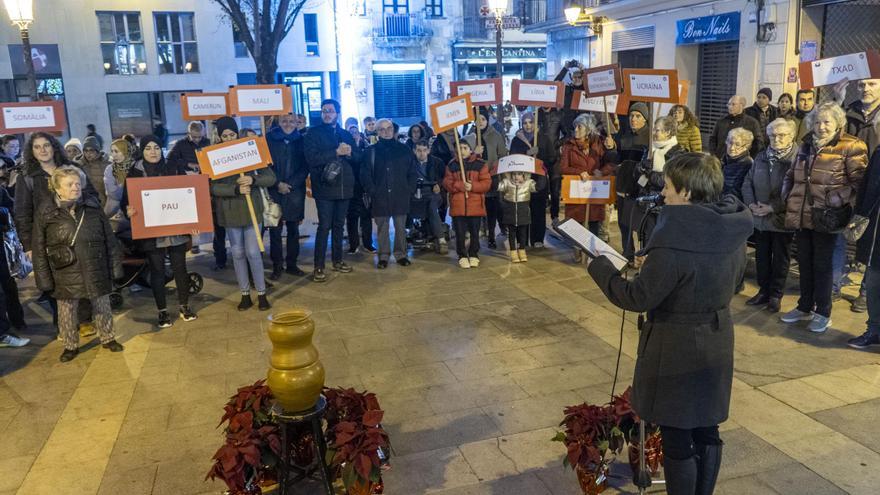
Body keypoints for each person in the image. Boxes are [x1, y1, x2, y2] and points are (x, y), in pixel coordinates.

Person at [587, 152, 752, 495]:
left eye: (670, 188)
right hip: (717, 337)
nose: (663, 194)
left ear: (687, 193)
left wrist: (600, 267)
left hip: (676, 347)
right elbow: (735, 283)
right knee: (707, 430)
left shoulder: (673, 240)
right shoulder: (731, 228)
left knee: (677, 436)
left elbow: (637, 298)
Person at [780, 103, 867, 333]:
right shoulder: (806, 144)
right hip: (802, 213)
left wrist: (837, 199)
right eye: (817, 121)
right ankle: (804, 306)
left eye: (827, 121)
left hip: (828, 215)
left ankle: (823, 312)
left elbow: (859, 183)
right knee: (805, 262)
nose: (821, 126)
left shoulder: (851, 145)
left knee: (823, 265)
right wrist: (787, 194)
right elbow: (791, 173)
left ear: (838, 122)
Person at [33, 166, 123, 362]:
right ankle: (70, 345)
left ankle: (108, 338)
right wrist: (43, 279)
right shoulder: (46, 211)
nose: (76, 187)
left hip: (94, 263)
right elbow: (39, 248)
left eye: (77, 183)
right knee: (66, 309)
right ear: (57, 188)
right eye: (69, 184)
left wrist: (115, 266)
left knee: (101, 303)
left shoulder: (92, 206)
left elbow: (109, 238)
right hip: (65, 269)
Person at [122, 135, 198, 327]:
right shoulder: (135, 172)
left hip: (175, 229)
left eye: (156, 147)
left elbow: (187, 194)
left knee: (180, 268)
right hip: (151, 232)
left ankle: (184, 306)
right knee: (157, 271)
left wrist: (193, 220)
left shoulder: (173, 167)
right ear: (142, 150)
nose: (153, 151)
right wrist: (128, 211)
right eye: (148, 148)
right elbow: (126, 200)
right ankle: (162, 311)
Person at [210, 117, 275, 310]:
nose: (229, 138)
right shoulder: (214, 156)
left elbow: (270, 177)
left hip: (251, 210)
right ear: (220, 137)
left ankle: (262, 293)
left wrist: (253, 180)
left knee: (253, 252)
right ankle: (245, 293)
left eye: (232, 134)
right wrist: (235, 190)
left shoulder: (251, 150)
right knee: (237, 253)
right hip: (230, 212)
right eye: (225, 135)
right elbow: (213, 188)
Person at [742, 119, 798, 313]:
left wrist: (772, 207)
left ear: (791, 136)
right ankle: (763, 291)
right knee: (762, 257)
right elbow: (747, 182)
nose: (776, 139)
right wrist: (751, 204)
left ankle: (775, 295)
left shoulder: (797, 158)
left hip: (781, 219)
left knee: (780, 259)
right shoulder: (761, 156)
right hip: (760, 218)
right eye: (773, 135)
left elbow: (797, 190)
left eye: (782, 135)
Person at [305, 99, 360, 282]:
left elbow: (358, 157)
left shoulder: (345, 133)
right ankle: (318, 266)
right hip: (325, 188)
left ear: (337, 113)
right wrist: (336, 152)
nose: (327, 113)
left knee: (339, 226)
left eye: (330, 110)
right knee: (324, 227)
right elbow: (312, 159)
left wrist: (351, 153)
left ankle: (338, 261)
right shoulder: (313, 133)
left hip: (345, 188)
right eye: (324, 111)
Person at [840, 79, 880, 312]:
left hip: (874, 186)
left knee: (872, 242)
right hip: (849, 182)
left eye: (872, 84)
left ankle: (865, 291)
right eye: (862, 84)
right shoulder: (850, 111)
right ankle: (835, 284)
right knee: (841, 233)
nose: (866, 88)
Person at [360, 119, 417, 268]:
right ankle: (383, 256)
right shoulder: (370, 151)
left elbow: (412, 171)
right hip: (380, 196)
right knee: (382, 228)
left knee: (400, 227)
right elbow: (364, 174)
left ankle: (401, 255)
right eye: (382, 129)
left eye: (389, 128)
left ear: (393, 130)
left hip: (400, 194)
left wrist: (409, 189)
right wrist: (372, 190)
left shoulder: (404, 150)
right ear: (377, 132)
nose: (386, 132)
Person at [561, 114, 614, 262]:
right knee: (576, 221)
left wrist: (601, 172)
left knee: (594, 220)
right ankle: (577, 249)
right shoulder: (568, 145)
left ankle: (593, 251)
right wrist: (579, 172)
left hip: (594, 189)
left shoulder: (599, 144)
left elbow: (610, 163)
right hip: (576, 189)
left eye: (580, 127)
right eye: (575, 126)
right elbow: (563, 167)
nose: (576, 129)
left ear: (589, 129)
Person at [607, 102, 651, 261]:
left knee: (639, 224)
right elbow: (615, 159)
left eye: (638, 116)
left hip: (639, 187)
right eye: (632, 115)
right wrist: (611, 148)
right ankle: (628, 252)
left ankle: (641, 255)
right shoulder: (623, 135)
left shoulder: (649, 137)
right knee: (623, 222)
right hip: (623, 184)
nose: (634, 119)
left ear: (645, 119)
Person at [266, 113, 309, 280]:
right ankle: (277, 266)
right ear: (279, 122)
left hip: (295, 191)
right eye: (284, 121)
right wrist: (277, 184)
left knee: (293, 230)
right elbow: (266, 165)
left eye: (292, 121)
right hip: (274, 190)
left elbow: (305, 166)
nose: (288, 124)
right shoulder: (269, 139)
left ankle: (292, 264)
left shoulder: (302, 140)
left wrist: (290, 184)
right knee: (275, 231)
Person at [443, 136, 491, 269]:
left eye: (465, 148)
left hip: (475, 205)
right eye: (459, 148)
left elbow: (486, 183)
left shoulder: (480, 164)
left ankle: (474, 253)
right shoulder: (452, 165)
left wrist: (473, 186)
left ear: (471, 150)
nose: (462, 151)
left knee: (475, 232)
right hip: (458, 206)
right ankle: (462, 255)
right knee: (460, 233)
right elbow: (447, 183)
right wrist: (460, 186)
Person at [850, 142, 880, 349]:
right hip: (876, 230)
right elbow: (868, 185)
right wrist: (859, 214)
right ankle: (874, 330)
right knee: (874, 284)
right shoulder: (879, 152)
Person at [509, 112, 552, 247]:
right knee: (523, 210)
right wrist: (526, 154)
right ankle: (522, 239)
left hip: (539, 179)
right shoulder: (517, 140)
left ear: (535, 123)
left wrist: (540, 155)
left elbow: (552, 158)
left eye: (530, 122)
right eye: (525, 123)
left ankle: (537, 238)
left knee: (538, 210)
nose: (528, 125)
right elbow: (513, 158)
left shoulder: (544, 138)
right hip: (522, 180)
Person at [469, 108, 508, 249]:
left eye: (483, 119)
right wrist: (474, 152)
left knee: (492, 208)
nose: (480, 122)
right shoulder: (470, 136)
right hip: (475, 178)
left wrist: (498, 171)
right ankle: (477, 235)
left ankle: (491, 234)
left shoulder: (496, 135)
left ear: (487, 120)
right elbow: (464, 156)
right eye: (477, 119)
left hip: (492, 177)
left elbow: (503, 156)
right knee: (477, 208)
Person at [412, 140, 448, 254]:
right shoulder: (410, 163)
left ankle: (441, 239)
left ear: (428, 150)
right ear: (414, 151)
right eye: (419, 150)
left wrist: (439, 184)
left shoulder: (437, 162)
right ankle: (411, 230)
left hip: (433, 192)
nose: (421, 153)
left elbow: (445, 177)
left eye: (424, 150)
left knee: (432, 206)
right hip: (415, 192)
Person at [498, 171, 537, 262]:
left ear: (524, 175)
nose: (516, 177)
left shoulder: (529, 183)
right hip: (510, 211)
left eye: (519, 174)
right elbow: (499, 191)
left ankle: (522, 250)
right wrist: (504, 205)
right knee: (511, 233)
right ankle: (513, 252)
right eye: (514, 174)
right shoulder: (506, 183)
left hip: (523, 211)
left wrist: (542, 174)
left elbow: (540, 187)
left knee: (523, 233)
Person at [721, 128, 755, 201]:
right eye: (730, 142)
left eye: (737, 145)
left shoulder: (748, 164)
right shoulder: (723, 159)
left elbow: (739, 192)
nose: (732, 148)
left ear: (746, 147)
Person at [103, 138, 134, 219]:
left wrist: (120, 186)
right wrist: (127, 186)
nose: (113, 155)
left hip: (135, 211)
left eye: (117, 151)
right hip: (114, 212)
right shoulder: (110, 169)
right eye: (112, 151)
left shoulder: (135, 167)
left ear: (125, 151)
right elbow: (113, 193)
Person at [79, 136, 111, 207]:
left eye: (91, 150)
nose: (88, 153)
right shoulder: (79, 166)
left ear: (97, 150)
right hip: (87, 204)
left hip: (106, 203)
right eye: (86, 151)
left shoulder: (108, 165)